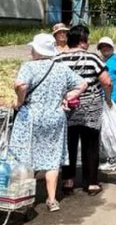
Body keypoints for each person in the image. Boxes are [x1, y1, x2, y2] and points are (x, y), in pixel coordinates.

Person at [8, 33, 86, 212]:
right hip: (55, 117)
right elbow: (82, 84)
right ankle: (52, 199)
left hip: (31, 117)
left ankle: (24, 197)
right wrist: (68, 96)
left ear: (36, 49)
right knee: (52, 157)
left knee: (24, 155)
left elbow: (21, 85)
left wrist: (19, 102)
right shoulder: (61, 68)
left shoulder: (28, 67)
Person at [55, 25, 112, 196]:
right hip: (91, 108)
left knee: (68, 144)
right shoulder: (92, 59)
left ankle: (68, 181)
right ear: (82, 41)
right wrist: (108, 99)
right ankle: (92, 183)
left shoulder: (58, 60)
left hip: (67, 108)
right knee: (91, 144)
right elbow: (106, 81)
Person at [97, 36, 116, 172]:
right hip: (103, 101)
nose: (104, 48)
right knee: (107, 131)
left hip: (113, 101)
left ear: (112, 47)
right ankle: (114, 157)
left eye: (107, 46)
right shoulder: (102, 61)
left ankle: (115, 159)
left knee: (114, 131)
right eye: (102, 46)